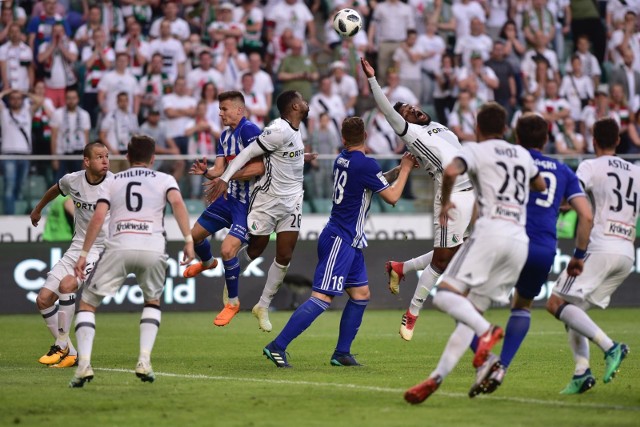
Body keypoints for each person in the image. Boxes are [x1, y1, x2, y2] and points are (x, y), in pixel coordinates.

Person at [404, 102, 546, 404]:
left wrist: (444, 202)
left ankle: (487, 331)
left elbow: (452, 169)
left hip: (490, 235)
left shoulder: (476, 149)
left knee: (445, 295)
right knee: (467, 314)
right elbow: (540, 184)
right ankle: (438, 377)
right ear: (505, 128)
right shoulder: (521, 154)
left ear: (478, 129)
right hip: (518, 242)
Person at [263, 117, 417, 368]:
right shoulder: (366, 165)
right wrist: (407, 169)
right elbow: (392, 198)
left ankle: (342, 353)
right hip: (341, 239)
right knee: (322, 298)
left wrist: (396, 171)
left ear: (343, 139)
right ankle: (277, 346)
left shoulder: (342, 160)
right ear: (366, 135)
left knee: (360, 295)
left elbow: (370, 182)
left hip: (349, 240)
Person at [468, 113, 593, 397]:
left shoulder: (511, 159)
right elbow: (586, 215)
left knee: (461, 302)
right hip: (543, 248)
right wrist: (578, 256)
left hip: (508, 240)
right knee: (522, 305)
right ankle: (503, 366)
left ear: (517, 137)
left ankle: (486, 359)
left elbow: (484, 198)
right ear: (547, 139)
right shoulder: (563, 171)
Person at [361, 57, 475, 341]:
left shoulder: (441, 129)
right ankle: (411, 314)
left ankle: (401, 267)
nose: (414, 110)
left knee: (454, 255)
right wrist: (373, 79)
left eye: (413, 107)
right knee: (441, 262)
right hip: (452, 197)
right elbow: (388, 111)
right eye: (408, 112)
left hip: (472, 193)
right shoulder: (411, 134)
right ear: (403, 123)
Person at [69, 135, 195, 387]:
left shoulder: (112, 182)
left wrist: (83, 254)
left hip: (119, 246)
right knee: (152, 300)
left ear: (127, 156)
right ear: (153, 158)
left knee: (87, 304)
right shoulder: (165, 179)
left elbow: (98, 217)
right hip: (153, 247)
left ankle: (83, 365)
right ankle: (144, 360)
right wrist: (189, 239)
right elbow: (178, 203)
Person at [545, 118, 639, 394]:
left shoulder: (590, 166)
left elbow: (572, 196)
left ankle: (612, 348)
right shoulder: (636, 171)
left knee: (555, 302)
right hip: (627, 252)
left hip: (600, 247)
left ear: (593, 140)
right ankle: (581, 372)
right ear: (619, 141)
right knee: (574, 311)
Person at [204, 90, 310, 332]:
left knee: (285, 255)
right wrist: (225, 178)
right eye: (302, 101)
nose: (306, 103)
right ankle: (233, 276)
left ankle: (262, 306)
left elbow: (284, 157)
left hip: (293, 201)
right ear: (294, 107)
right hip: (267, 201)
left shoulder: (295, 129)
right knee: (256, 248)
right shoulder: (278, 129)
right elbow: (248, 154)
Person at [183, 91, 264, 326]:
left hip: (248, 204)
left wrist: (228, 176)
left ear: (239, 110)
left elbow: (260, 167)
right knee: (194, 235)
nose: (220, 113)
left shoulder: (249, 130)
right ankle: (208, 263)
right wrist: (207, 172)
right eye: (219, 109)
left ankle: (233, 303)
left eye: (225, 109)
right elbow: (220, 169)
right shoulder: (225, 136)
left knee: (228, 250)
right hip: (228, 198)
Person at [30, 141, 112, 369]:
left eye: (107, 156)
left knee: (67, 286)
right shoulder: (72, 180)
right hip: (77, 247)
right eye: (99, 157)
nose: (105, 160)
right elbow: (55, 189)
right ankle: (71, 353)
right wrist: (38, 209)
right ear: (86, 161)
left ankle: (62, 344)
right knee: (43, 299)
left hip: (101, 250)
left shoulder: (115, 184)